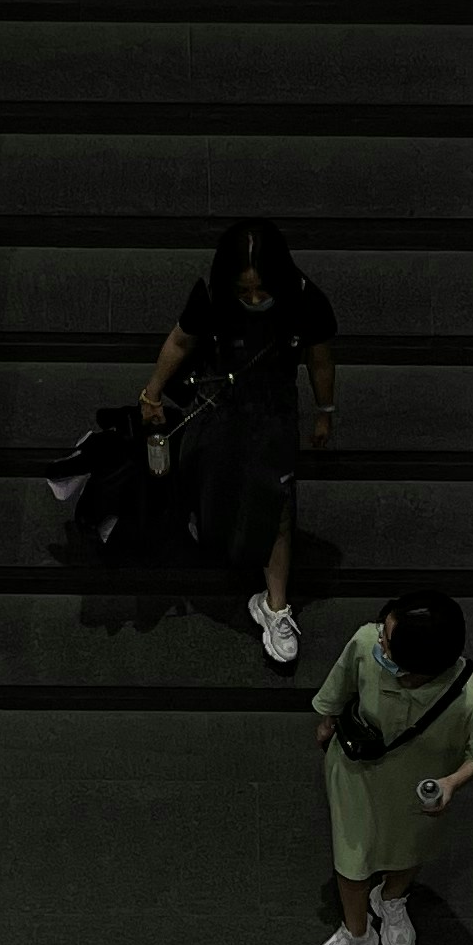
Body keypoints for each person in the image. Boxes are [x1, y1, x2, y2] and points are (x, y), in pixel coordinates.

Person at [136, 218, 338, 663]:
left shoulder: (305, 301)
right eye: (243, 291)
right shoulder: (211, 296)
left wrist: (324, 412)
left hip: (272, 413)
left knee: (276, 504)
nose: (252, 299)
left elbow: (320, 362)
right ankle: (213, 531)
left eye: (261, 290)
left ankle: (276, 605)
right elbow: (180, 340)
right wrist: (151, 392)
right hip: (217, 406)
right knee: (211, 477)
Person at [305, 590, 473, 945]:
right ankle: (356, 931)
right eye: (385, 628)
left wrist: (451, 782)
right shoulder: (366, 642)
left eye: (388, 639)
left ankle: (392, 898)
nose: (379, 637)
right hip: (357, 775)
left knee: (409, 850)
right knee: (352, 861)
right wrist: (328, 722)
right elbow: (340, 684)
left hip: (416, 790)